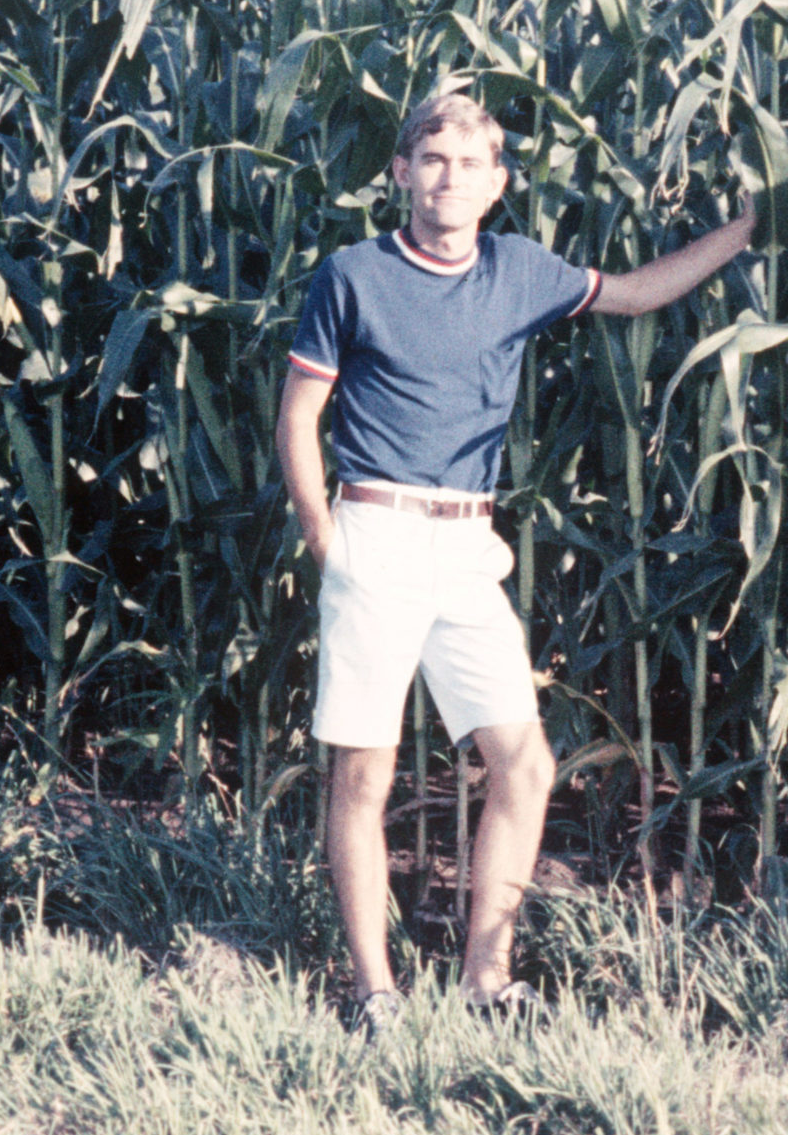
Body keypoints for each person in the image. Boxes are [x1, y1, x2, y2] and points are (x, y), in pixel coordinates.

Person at [277, 89, 754, 1030]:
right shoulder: (352, 275)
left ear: (497, 184)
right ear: (403, 171)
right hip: (376, 526)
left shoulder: (520, 271)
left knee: (525, 763)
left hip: (466, 545)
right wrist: (328, 542)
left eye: (470, 165)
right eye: (432, 160)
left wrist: (747, 228)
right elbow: (299, 418)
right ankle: (374, 993)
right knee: (364, 777)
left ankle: (486, 984)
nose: (448, 180)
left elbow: (635, 292)